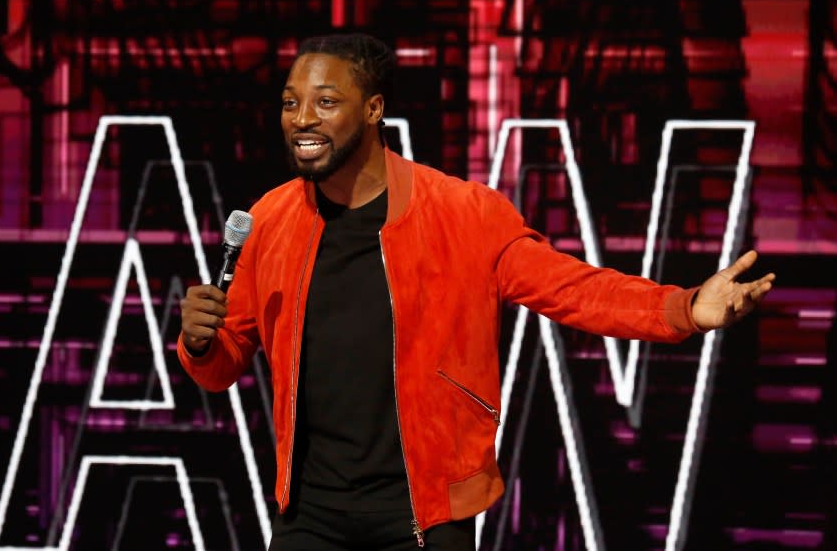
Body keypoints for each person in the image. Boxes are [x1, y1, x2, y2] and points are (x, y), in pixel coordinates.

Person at [177, 33, 775, 551]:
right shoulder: (271, 220)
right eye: (291, 102)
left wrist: (684, 308)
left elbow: (571, 288)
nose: (302, 118)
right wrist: (201, 346)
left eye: (326, 102)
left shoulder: (462, 214)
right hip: (307, 514)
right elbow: (224, 366)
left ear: (373, 110)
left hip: (424, 515)